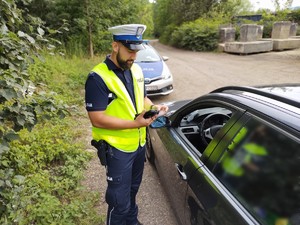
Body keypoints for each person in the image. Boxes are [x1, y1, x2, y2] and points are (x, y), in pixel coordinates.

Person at [84, 24, 168, 225]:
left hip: (138, 145)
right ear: (115, 46)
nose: (134, 56)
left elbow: (143, 99)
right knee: (118, 201)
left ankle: (132, 221)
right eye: (130, 51)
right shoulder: (97, 77)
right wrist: (135, 124)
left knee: (132, 191)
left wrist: (154, 107)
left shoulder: (136, 70)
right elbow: (96, 118)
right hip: (116, 150)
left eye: (136, 51)